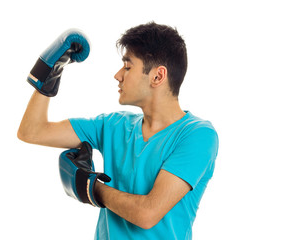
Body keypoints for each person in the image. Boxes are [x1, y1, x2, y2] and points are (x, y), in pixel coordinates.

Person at [18, 22, 219, 240]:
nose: (117, 75)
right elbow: (32, 131)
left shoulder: (197, 136)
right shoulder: (113, 125)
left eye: (127, 67)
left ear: (157, 76)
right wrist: (48, 73)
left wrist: (92, 188)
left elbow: (147, 214)